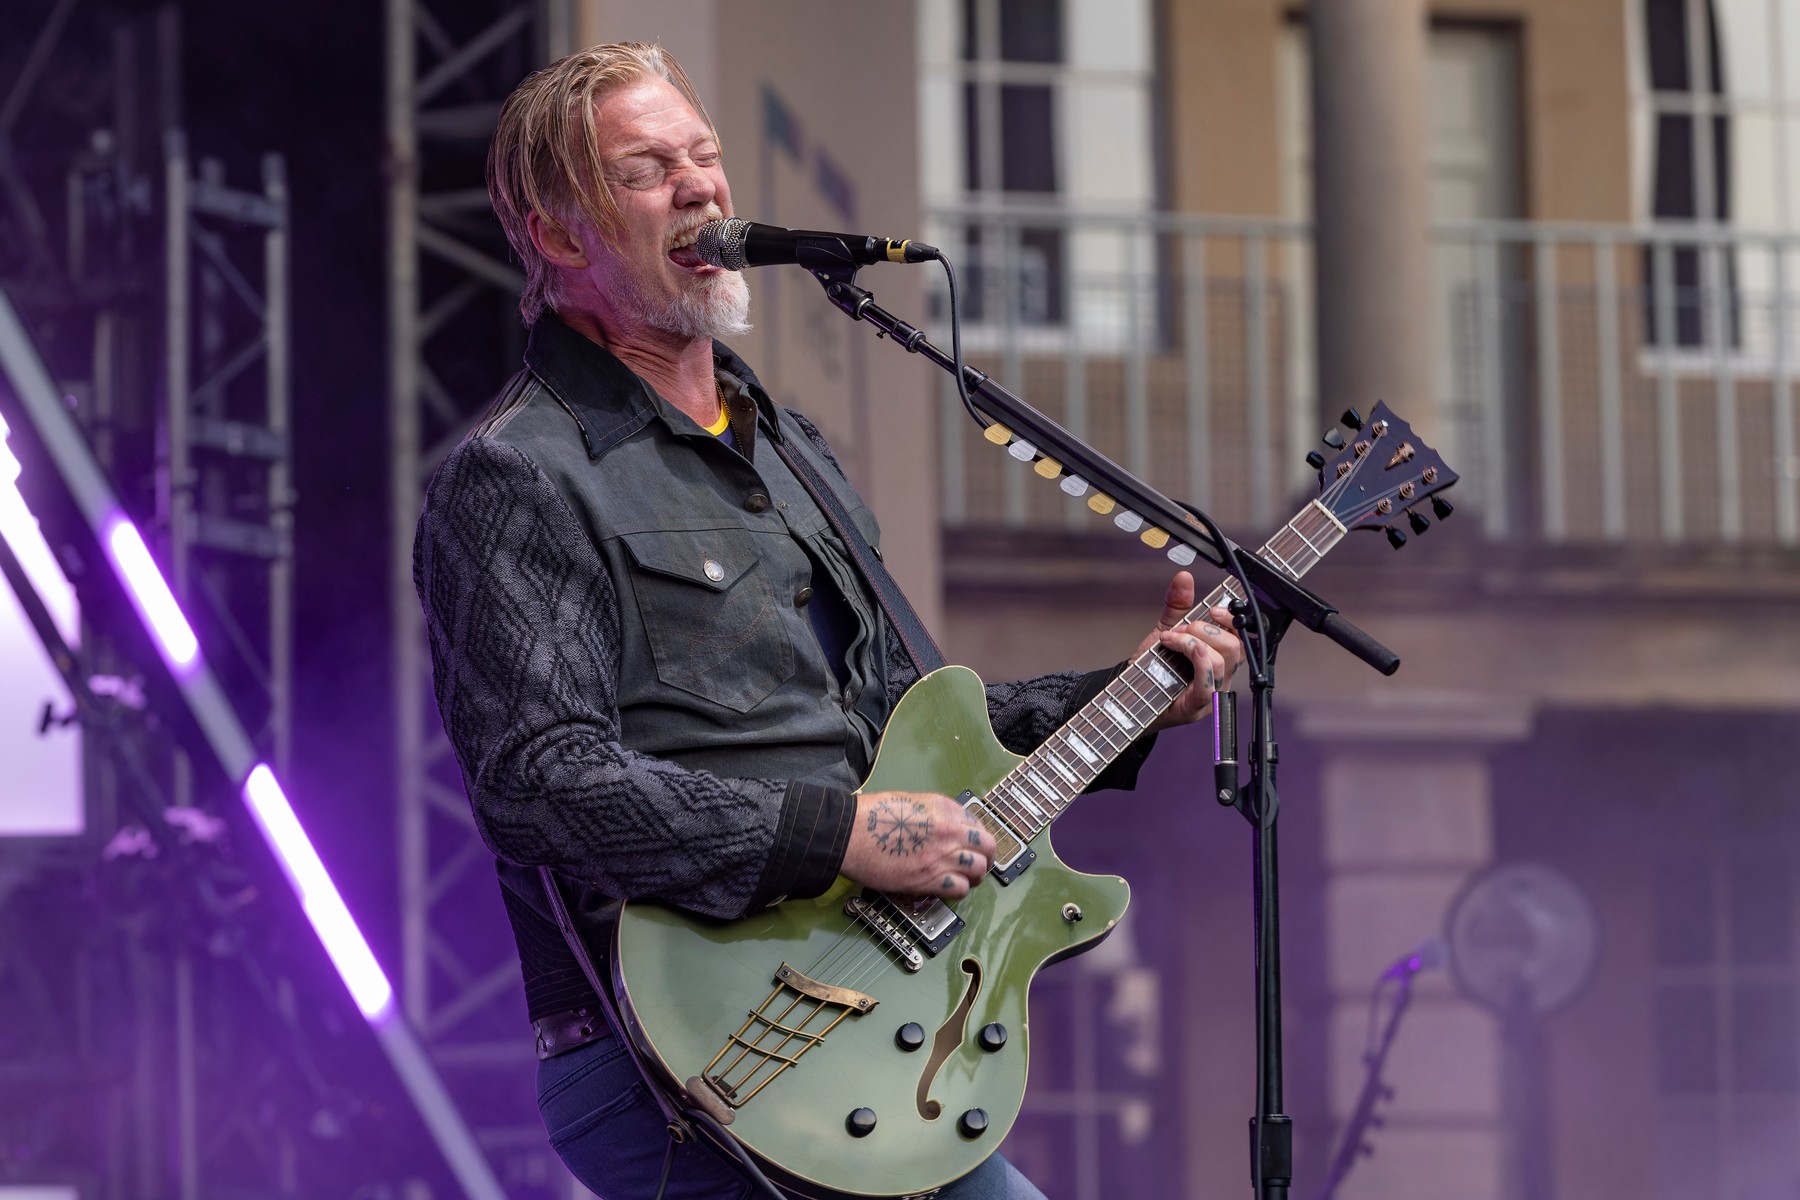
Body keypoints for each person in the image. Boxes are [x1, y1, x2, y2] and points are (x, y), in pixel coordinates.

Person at [413, 41, 1243, 1200]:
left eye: (704, 156)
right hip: (684, 1055)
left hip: (857, 1024)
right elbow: (540, 783)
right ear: (559, 237)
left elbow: (911, 734)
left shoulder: (790, 451)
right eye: (649, 170)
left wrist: (1142, 689)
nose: (702, 186)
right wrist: (839, 837)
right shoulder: (521, 474)